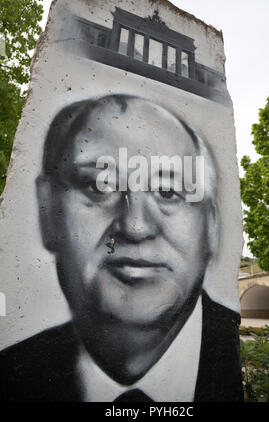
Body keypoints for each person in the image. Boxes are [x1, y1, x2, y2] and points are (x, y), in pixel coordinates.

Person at [0, 94, 243, 402]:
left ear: (211, 224)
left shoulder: (230, 354)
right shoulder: (12, 375)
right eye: (98, 186)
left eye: (168, 191)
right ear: (47, 210)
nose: (135, 226)